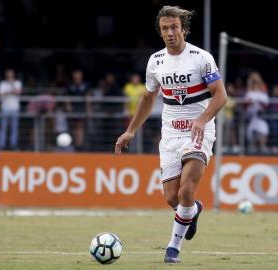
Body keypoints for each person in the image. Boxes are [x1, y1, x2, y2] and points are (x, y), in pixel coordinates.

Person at [115, 6, 227, 264]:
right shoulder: (155, 61)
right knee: (172, 198)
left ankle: (173, 248)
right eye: (165, 28)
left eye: (174, 27)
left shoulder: (202, 58)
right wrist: (130, 131)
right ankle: (193, 211)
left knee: (187, 190)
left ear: (183, 29)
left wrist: (201, 119)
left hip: (199, 132)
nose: (170, 33)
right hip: (170, 135)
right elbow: (147, 98)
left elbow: (220, 95)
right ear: (161, 32)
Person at [0, 68, 22, 150]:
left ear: (13, 74)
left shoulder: (17, 83)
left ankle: (13, 145)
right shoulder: (2, 83)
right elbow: (1, 93)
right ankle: (1, 145)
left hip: (15, 108)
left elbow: (18, 92)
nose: (9, 75)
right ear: (6, 75)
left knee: (14, 128)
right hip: (5, 108)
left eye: (11, 74)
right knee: (3, 128)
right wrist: (11, 91)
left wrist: (11, 86)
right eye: (8, 74)